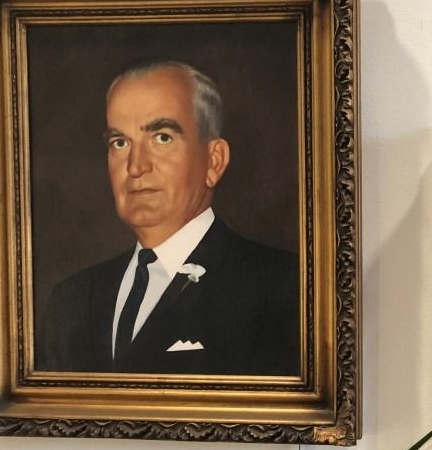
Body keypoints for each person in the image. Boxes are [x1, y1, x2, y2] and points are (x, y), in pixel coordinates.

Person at [39, 60, 300, 376]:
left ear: (214, 161)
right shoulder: (73, 300)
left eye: (162, 137)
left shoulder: (282, 290)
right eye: (119, 143)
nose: (135, 166)